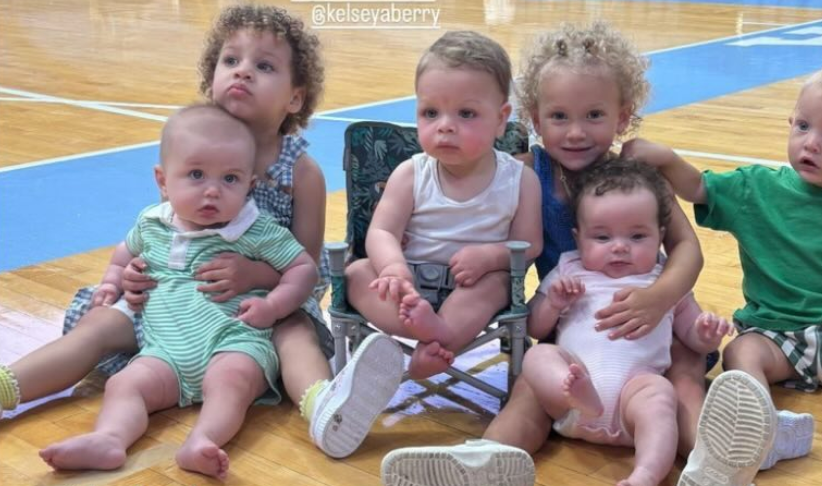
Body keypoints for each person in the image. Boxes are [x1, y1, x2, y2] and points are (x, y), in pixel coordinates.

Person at [0, 4, 402, 460]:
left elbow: (308, 268)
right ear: (211, 75)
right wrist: (130, 272)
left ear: (294, 97)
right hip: (174, 300)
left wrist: (257, 277)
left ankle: (325, 408)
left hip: (257, 310)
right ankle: (9, 385)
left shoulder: (300, 171)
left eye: (264, 65)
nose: (243, 72)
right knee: (98, 323)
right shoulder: (194, 139)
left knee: (296, 335)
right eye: (231, 61)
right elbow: (159, 225)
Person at [381, 22, 775, 486]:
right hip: (571, 328)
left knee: (684, 377)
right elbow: (469, 185)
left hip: (653, 323)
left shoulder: (636, 177)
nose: (575, 132)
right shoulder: (521, 172)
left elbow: (687, 248)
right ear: (532, 117)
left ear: (622, 115)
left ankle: (720, 461)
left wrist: (659, 298)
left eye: (593, 115)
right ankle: (484, 460)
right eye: (559, 117)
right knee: (530, 388)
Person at [642, 61, 822, 476]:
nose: (811, 143)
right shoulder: (755, 188)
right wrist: (666, 158)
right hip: (780, 337)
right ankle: (766, 430)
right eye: (803, 126)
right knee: (740, 351)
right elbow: (697, 187)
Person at [39, 104, 317, 478]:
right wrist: (111, 282)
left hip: (234, 341)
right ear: (163, 181)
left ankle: (202, 441)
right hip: (164, 351)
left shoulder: (256, 230)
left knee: (232, 380)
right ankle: (110, 438)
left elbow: (303, 268)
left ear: (250, 185)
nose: (213, 192)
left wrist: (273, 305)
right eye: (197, 175)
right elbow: (123, 255)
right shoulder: (152, 223)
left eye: (230, 179)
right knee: (126, 384)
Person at [344, 30, 542, 380]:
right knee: (357, 274)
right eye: (430, 112)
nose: (445, 127)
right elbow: (382, 231)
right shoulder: (411, 173)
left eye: (466, 113)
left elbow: (530, 245)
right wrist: (392, 267)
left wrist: (490, 257)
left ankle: (433, 339)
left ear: (500, 119)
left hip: (472, 283)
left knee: (497, 284)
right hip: (409, 282)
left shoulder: (520, 179)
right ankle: (435, 338)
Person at [523, 157, 734, 486]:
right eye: (603, 238)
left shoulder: (664, 280)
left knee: (660, 394)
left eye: (637, 237)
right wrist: (553, 303)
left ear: (659, 236)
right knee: (537, 356)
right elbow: (535, 327)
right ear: (578, 239)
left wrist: (705, 334)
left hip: (632, 406)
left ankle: (645, 474)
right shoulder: (568, 269)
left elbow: (692, 336)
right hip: (568, 405)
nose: (620, 247)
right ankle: (580, 396)